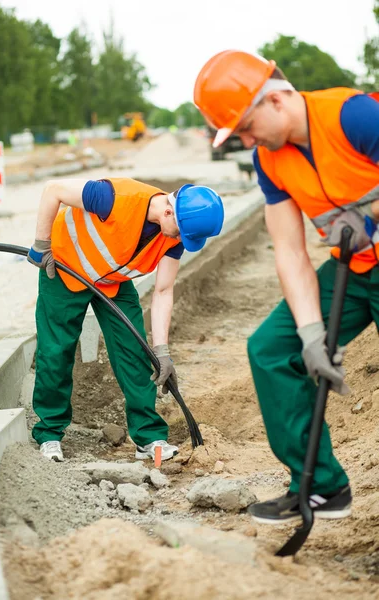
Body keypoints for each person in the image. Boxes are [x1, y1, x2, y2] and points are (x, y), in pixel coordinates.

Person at [194, 50, 379, 524]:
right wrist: (312, 334)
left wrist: (372, 218)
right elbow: (289, 251)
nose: (245, 139)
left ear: (276, 99)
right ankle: (319, 487)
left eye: (245, 126)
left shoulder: (353, 115)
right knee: (273, 349)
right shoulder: (269, 159)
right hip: (353, 270)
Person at [28, 177, 224, 462]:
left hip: (112, 281)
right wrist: (42, 244)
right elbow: (52, 190)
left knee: (135, 351)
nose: (181, 240)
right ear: (169, 212)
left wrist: (162, 352)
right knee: (56, 351)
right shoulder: (113, 197)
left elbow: (164, 290)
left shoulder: (172, 238)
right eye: (182, 233)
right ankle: (49, 434)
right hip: (62, 268)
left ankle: (148, 437)